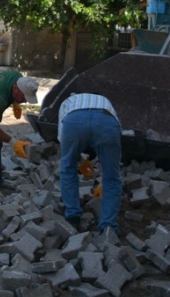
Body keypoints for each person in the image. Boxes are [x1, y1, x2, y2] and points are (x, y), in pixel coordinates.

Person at [57, 92, 122, 234]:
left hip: (75, 121)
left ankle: (73, 216)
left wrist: (79, 160)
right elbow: (116, 129)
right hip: (106, 121)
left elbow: (62, 138)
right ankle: (108, 226)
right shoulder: (104, 99)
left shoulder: (67, 103)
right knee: (112, 177)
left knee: (68, 169)